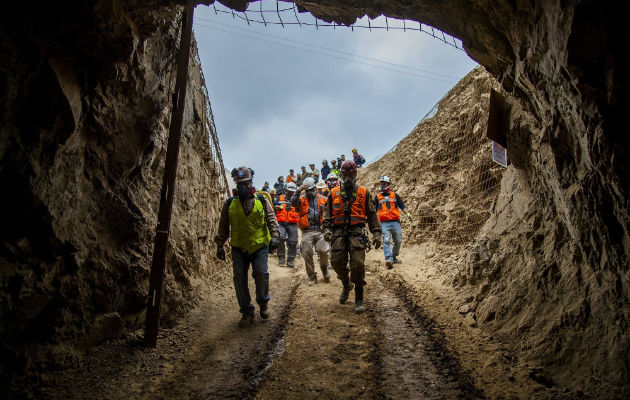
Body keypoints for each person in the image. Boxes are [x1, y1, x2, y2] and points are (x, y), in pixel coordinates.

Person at [215, 166, 280, 327]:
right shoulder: (229, 203)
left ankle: (263, 304)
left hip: (259, 246)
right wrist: (220, 245)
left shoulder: (262, 200)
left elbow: (271, 220)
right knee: (239, 278)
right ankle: (246, 312)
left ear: (251, 182)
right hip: (238, 246)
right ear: (236, 184)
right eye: (240, 183)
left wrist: (275, 237)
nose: (243, 186)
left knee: (260, 273)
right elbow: (223, 225)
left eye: (246, 183)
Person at [322, 160, 381, 314]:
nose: (348, 176)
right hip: (338, 232)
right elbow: (327, 214)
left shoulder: (364, 192)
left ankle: (359, 297)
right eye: (345, 174)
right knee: (335, 261)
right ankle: (346, 284)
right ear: (341, 174)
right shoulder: (333, 193)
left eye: (351, 174)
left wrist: (376, 233)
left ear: (355, 174)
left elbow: (372, 214)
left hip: (356, 232)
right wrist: (326, 230)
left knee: (358, 264)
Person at [291, 177, 331, 284]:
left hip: (320, 230)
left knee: (323, 251)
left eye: (312, 189)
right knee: (307, 252)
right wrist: (298, 190)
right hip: (307, 231)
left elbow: (330, 212)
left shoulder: (323, 198)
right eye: (307, 190)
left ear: (316, 188)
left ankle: (324, 268)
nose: (310, 192)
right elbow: (293, 203)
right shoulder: (301, 199)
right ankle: (312, 277)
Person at [375, 175, 412, 268]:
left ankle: (394, 257)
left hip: (395, 222)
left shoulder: (395, 196)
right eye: (381, 184)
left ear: (388, 185)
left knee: (398, 240)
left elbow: (402, 206)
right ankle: (388, 259)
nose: (383, 185)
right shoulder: (377, 197)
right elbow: (373, 210)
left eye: (384, 184)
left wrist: (408, 214)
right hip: (384, 223)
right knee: (386, 240)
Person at [274, 182, 300, 268]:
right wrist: (276, 208)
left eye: (292, 191)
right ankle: (281, 257)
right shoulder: (279, 198)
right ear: (286, 190)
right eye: (289, 191)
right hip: (281, 222)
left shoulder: (297, 199)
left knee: (293, 241)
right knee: (280, 237)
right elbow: (272, 208)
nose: (291, 193)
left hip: (292, 223)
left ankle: (291, 259)